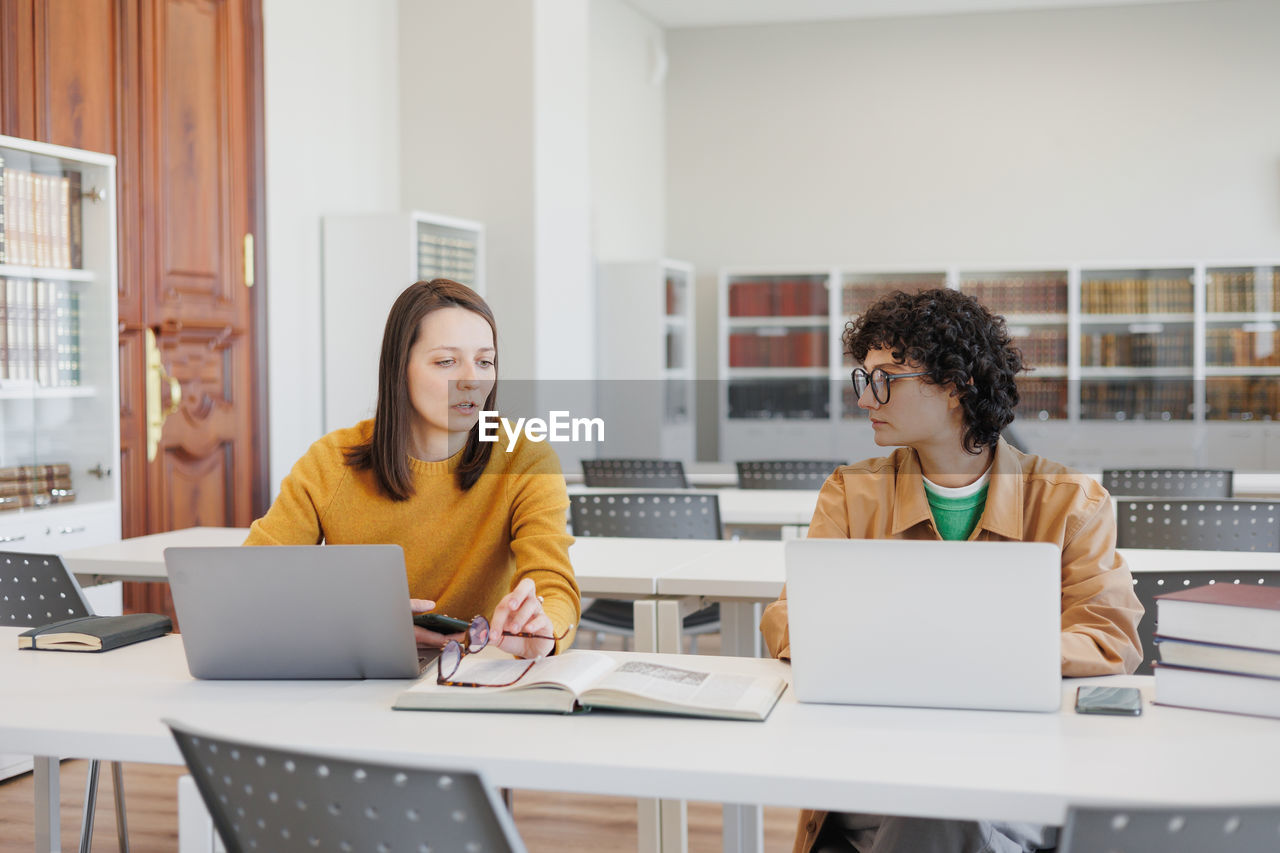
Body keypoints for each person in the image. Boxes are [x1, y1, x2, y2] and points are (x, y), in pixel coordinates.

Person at [760, 288, 1143, 853]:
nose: (867, 400)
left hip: (1020, 765)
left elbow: (1109, 637)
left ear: (957, 384)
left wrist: (951, 655)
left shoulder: (1072, 502)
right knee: (937, 802)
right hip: (882, 758)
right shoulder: (851, 492)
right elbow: (789, 619)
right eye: (862, 380)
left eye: (886, 378)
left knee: (942, 803)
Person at [246, 279, 579, 659]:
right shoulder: (330, 462)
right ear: (399, 368)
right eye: (446, 361)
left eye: (485, 361)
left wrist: (543, 631)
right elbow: (256, 584)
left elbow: (553, 587)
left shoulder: (525, 458)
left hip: (481, 672)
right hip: (360, 671)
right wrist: (359, 621)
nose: (472, 380)